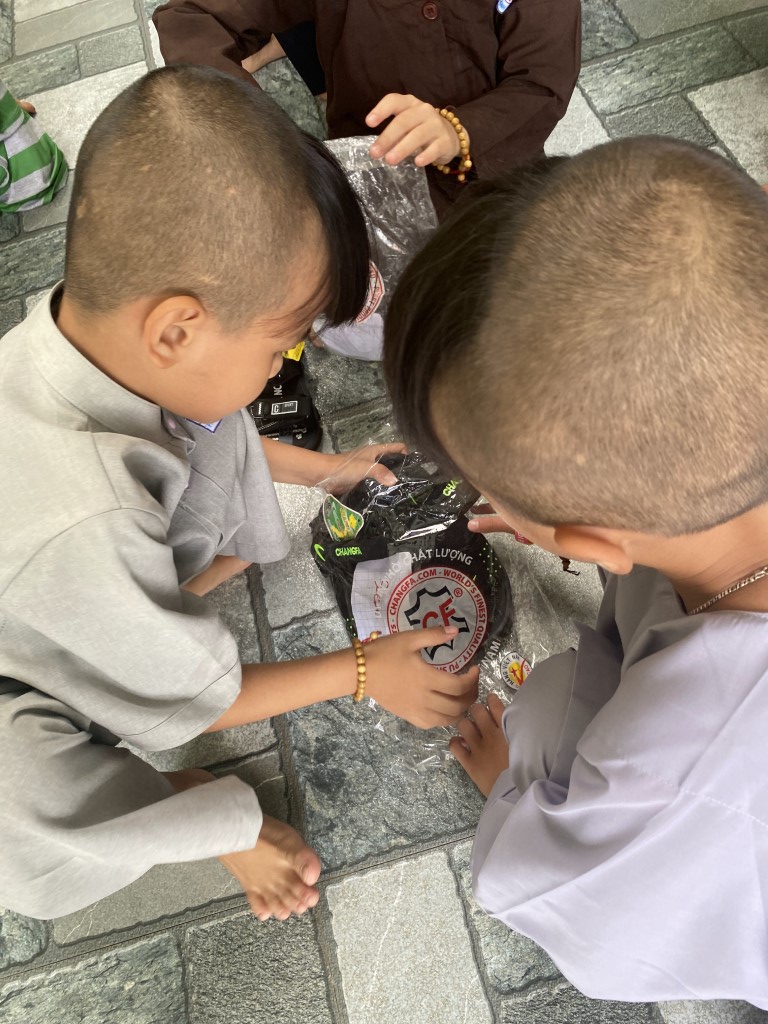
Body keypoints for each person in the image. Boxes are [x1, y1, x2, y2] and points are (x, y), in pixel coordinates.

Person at [0, 65, 478, 923]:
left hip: (55, 580)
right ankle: (198, 817)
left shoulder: (92, 339)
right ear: (177, 328)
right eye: (280, 346)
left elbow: (209, 427)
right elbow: (202, 700)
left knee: (211, 422)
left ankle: (151, 603)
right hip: (22, 678)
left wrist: (327, 470)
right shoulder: (92, 517)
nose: (280, 368)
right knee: (32, 814)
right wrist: (364, 671)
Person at [382, 138, 768, 1006]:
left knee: (548, 704)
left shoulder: (672, 778)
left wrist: (513, 790)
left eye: (485, 486)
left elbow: (585, 919)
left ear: (591, 546)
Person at [152, 0, 581, 215]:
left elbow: (542, 80)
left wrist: (460, 129)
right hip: (369, 178)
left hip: (499, 183)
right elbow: (190, 16)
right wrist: (249, 130)